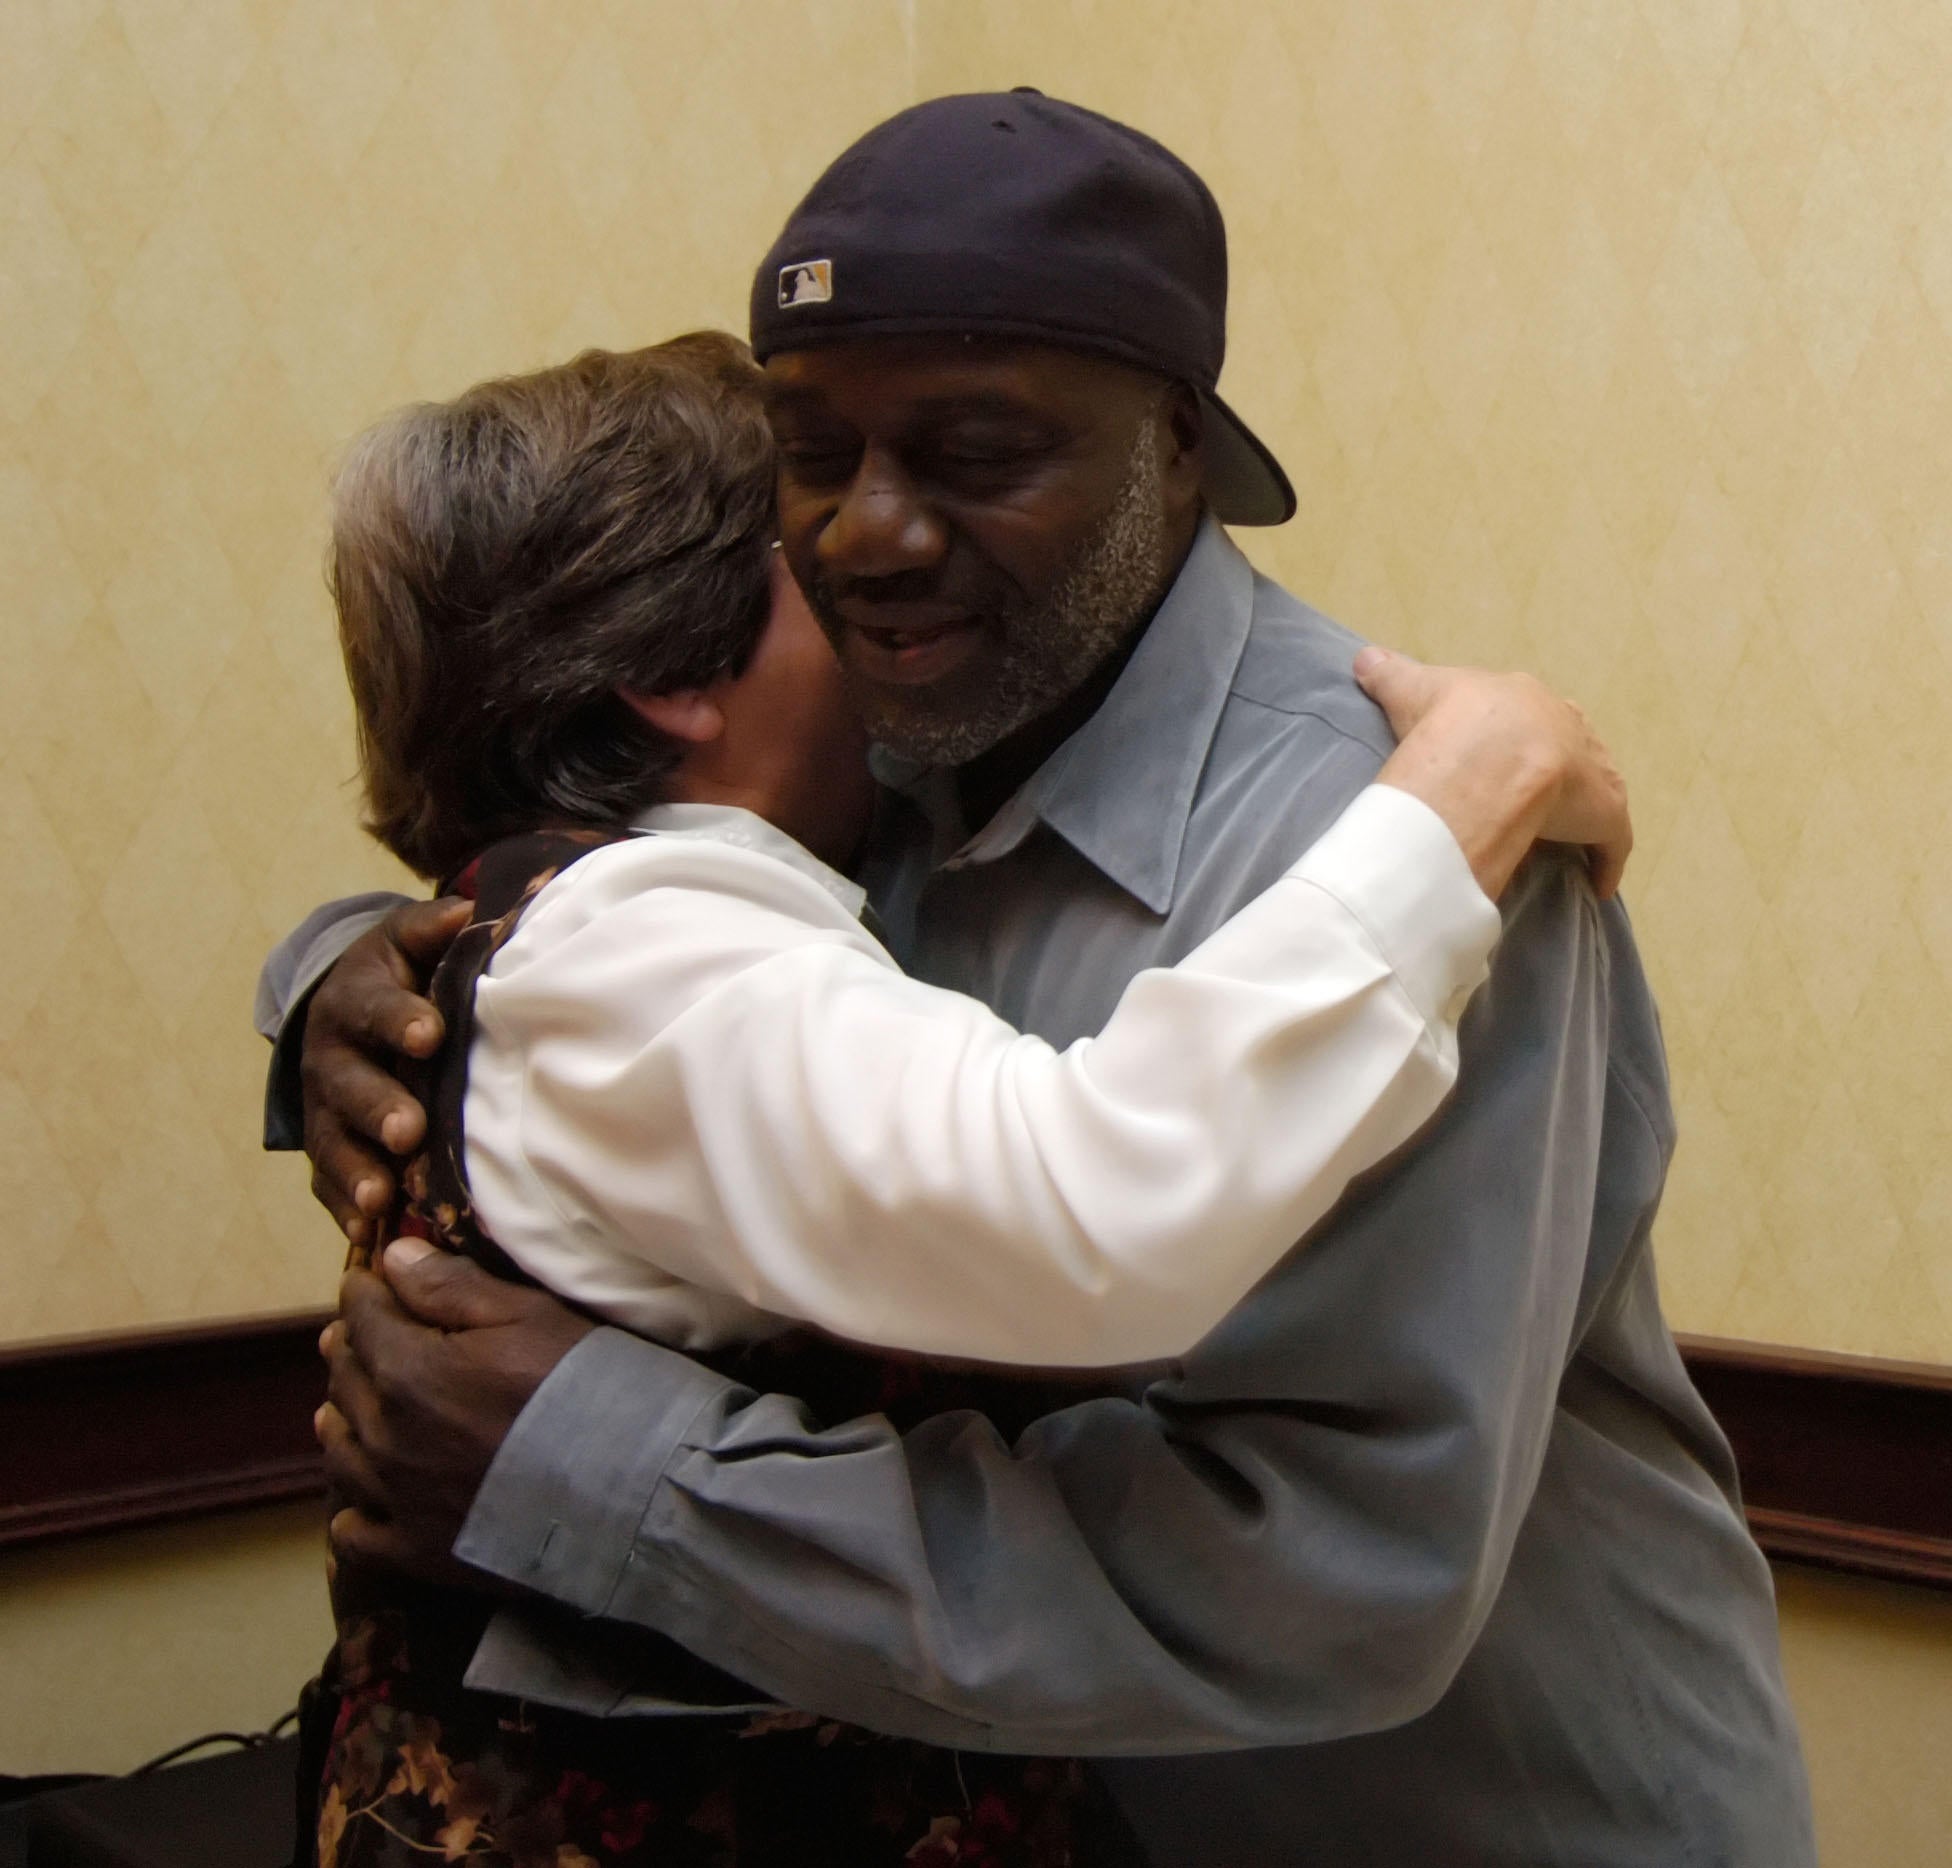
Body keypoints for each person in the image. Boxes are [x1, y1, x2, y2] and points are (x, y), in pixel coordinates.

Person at [272, 93, 1814, 1867]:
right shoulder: (874, 765)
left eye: (976, 451)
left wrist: (596, 1467)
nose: (866, 532)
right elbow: (632, 926)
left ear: (1177, 446)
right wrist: (357, 983)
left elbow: (1327, 1581)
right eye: (815, 452)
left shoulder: (1397, 861)